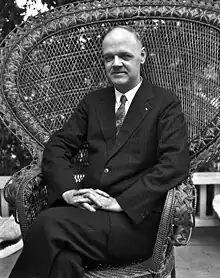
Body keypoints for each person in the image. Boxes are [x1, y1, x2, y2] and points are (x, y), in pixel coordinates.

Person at [9, 25, 190, 278]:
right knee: (63, 261)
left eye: (125, 56)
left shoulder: (165, 103)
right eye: (108, 57)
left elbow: (175, 163)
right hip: (88, 215)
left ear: (143, 56)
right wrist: (69, 190)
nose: (116, 63)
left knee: (47, 223)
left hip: (135, 222)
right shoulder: (94, 103)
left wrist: (121, 202)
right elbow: (58, 145)